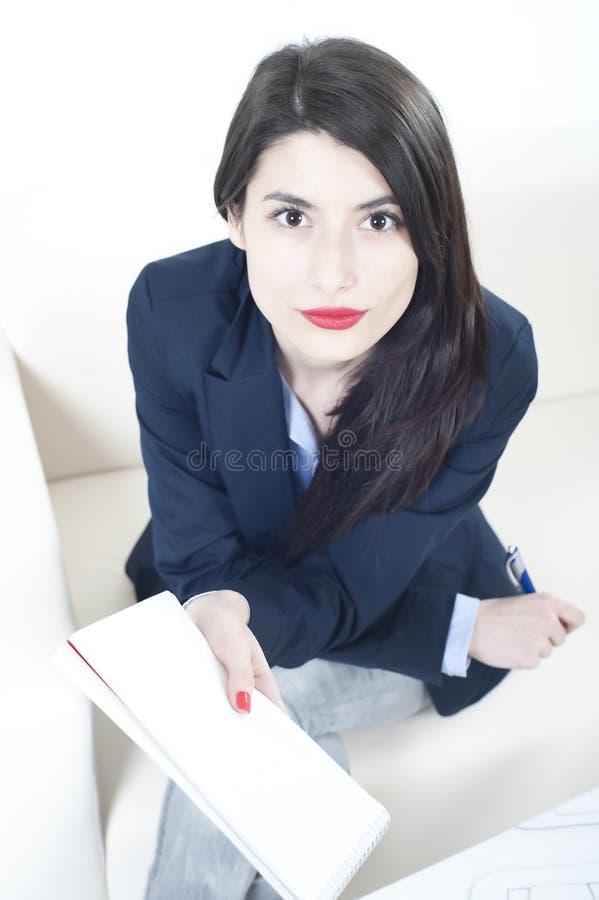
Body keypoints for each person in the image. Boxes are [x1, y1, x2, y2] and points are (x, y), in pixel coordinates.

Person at [123, 35, 586, 900]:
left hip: (388, 579)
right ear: (234, 216)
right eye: (291, 217)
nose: (333, 273)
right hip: (268, 591)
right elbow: (201, 564)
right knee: (256, 701)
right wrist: (454, 627)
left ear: (428, 229)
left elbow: (348, 585)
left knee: (250, 705)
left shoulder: (492, 357)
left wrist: (241, 614)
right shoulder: (171, 312)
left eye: (379, 220)